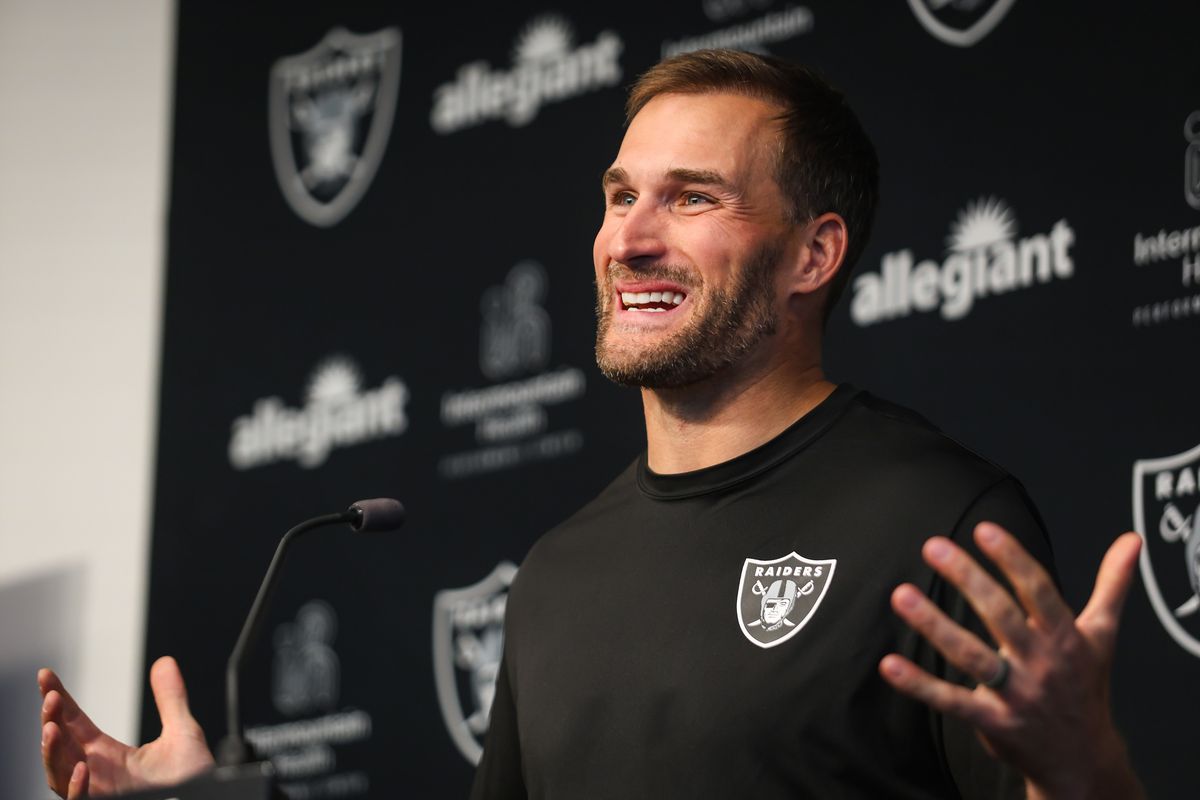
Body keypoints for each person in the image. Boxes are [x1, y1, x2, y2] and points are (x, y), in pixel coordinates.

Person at [39, 49, 1145, 799]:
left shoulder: (940, 518)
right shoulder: (563, 570)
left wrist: (1082, 765)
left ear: (814, 253)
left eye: (693, 197)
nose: (630, 238)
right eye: (622, 195)